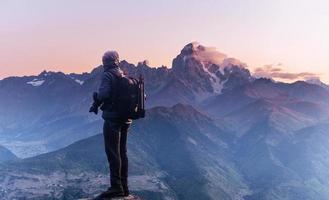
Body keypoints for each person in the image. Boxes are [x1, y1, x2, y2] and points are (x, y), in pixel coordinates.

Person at [89, 51, 132, 199]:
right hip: (126, 119)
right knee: (122, 153)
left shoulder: (108, 75)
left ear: (105, 62)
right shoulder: (122, 74)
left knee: (113, 153)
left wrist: (96, 101)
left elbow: (104, 94)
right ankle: (124, 187)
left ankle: (116, 187)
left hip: (113, 119)